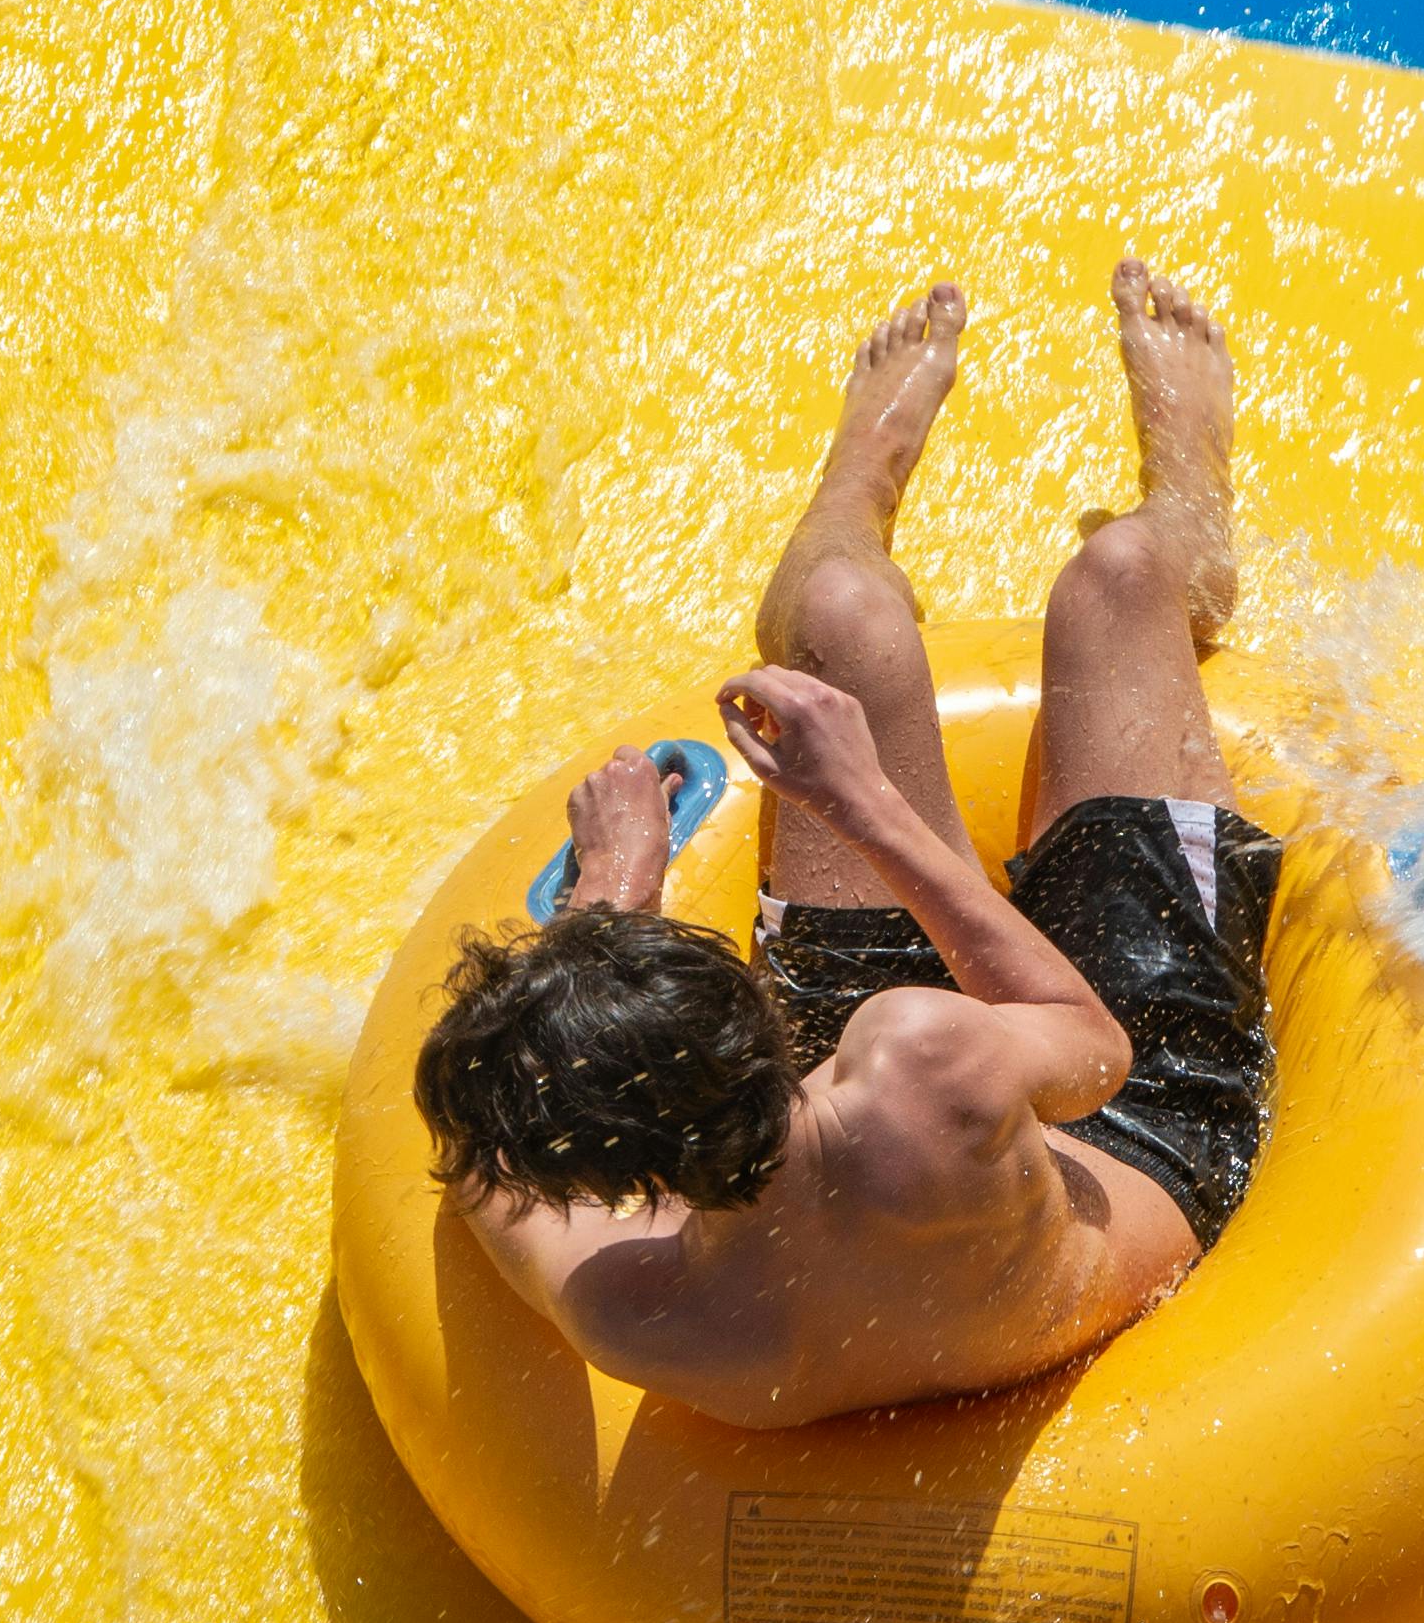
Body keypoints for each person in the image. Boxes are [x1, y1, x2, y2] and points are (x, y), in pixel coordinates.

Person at [412, 262, 1279, 1428]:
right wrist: (862, 802)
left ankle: (862, 477)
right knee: (1114, 583)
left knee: (842, 617)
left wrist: (606, 920)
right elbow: (1094, 1051)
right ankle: (1187, 489)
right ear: (754, 1006)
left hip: (864, 1145)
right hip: (1142, 1127)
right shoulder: (916, 1048)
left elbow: (475, 1153)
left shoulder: (631, 1313)